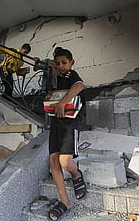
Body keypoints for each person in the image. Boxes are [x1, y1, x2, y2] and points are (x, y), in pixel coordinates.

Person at [47, 48, 86, 220]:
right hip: (55, 122)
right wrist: (51, 69)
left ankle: (76, 175)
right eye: (58, 63)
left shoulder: (72, 75)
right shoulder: (56, 78)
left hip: (70, 122)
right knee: (54, 161)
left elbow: (80, 85)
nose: (61, 66)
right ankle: (65, 201)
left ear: (71, 62)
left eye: (64, 62)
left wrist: (63, 102)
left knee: (65, 161)